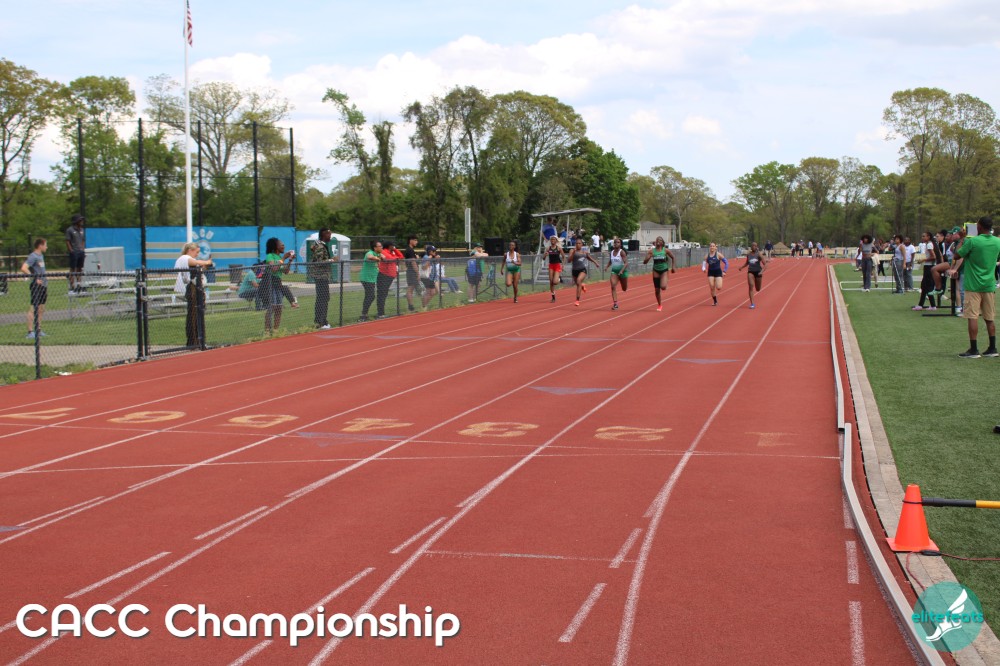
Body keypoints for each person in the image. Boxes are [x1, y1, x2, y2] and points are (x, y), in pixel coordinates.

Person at [946, 216, 1000, 358]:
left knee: (972, 317)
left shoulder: (972, 241)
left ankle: (974, 349)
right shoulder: (997, 241)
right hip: (989, 284)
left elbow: (956, 255)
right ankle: (992, 348)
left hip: (973, 285)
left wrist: (962, 239)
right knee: (989, 318)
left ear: (979, 227)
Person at [174, 241, 214, 346]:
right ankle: (193, 341)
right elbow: (196, 262)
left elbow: (198, 266)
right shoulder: (184, 258)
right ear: (190, 250)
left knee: (199, 315)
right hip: (192, 290)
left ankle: (200, 340)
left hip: (197, 289)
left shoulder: (190, 260)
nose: (197, 254)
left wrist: (205, 265)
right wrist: (207, 262)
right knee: (193, 316)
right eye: (196, 252)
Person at [259, 238, 293, 335]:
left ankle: (275, 330)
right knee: (272, 307)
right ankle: (267, 331)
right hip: (270, 283)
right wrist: (283, 259)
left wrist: (290, 261)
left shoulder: (279, 257)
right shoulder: (270, 256)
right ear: (275, 246)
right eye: (281, 244)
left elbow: (286, 271)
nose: (283, 246)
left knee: (279, 307)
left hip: (278, 284)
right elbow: (273, 268)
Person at [20, 238, 48, 339]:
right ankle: (30, 331)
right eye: (45, 245)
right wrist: (34, 278)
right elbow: (24, 268)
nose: (46, 247)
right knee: (33, 308)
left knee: (41, 308)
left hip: (43, 285)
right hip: (36, 286)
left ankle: (38, 330)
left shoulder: (41, 256)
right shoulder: (33, 256)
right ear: (40, 245)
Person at [309, 228, 336, 329]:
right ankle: (322, 322)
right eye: (329, 234)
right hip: (321, 276)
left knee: (323, 298)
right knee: (323, 299)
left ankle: (320, 321)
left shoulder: (320, 244)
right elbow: (319, 262)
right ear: (324, 234)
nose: (330, 236)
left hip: (323, 276)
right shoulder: (320, 246)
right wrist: (331, 260)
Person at [642, 236, 676, 312]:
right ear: (655, 242)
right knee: (657, 290)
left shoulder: (665, 250)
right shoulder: (651, 251)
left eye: (660, 240)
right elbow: (644, 262)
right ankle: (659, 305)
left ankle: (665, 283)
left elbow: (673, 257)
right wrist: (648, 258)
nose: (658, 241)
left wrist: (673, 267)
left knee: (663, 287)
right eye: (657, 240)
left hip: (664, 270)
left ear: (662, 242)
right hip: (656, 270)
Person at [567, 238, 599, 306]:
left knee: (578, 281)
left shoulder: (584, 252)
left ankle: (577, 300)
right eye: (576, 243)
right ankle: (582, 285)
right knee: (578, 284)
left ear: (582, 244)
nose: (578, 244)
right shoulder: (572, 250)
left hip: (582, 270)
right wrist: (573, 253)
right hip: (574, 270)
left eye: (579, 243)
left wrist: (595, 262)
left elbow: (589, 257)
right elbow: (569, 260)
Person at [377, 240, 404, 319]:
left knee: (384, 294)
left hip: (389, 276)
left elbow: (401, 257)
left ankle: (381, 313)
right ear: (389, 246)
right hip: (384, 276)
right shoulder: (384, 252)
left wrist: (395, 250)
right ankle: (380, 313)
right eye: (393, 246)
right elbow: (389, 259)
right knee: (382, 294)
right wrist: (395, 258)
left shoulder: (392, 252)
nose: (394, 247)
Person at [738, 241, 767, 309]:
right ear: (751, 247)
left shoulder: (759, 254)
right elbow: (747, 263)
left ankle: (753, 300)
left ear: (756, 247)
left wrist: (761, 272)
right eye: (752, 245)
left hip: (758, 272)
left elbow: (765, 264)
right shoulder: (749, 255)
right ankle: (752, 303)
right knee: (751, 286)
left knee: (758, 289)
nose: (753, 247)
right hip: (750, 271)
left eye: (755, 246)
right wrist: (742, 267)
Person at [358, 240, 381, 321]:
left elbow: (384, 257)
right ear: (375, 248)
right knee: (371, 296)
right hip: (366, 278)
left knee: (369, 296)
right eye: (379, 246)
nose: (381, 247)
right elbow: (369, 257)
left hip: (372, 278)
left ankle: (364, 314)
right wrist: (377, 258)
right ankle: (363, 315)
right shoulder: (370, 252)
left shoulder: (378, 254)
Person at [64, 214, 86, 293]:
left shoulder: (82, 230)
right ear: (76, 221)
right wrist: (71, 250)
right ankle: (72, 287)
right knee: (73, 269)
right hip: (74, 252)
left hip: (80, 252)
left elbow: (83, 240)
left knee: (79, 269)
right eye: (80, 220)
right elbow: (67, 241)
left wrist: (82, 249)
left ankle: (79, 285)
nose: (82, 221)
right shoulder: (70, 230)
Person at [605, 237, 628, 310]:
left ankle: (622, 283)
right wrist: (607, 267)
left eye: (618, 242)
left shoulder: (622, 252)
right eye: (615, 242)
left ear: (620, 244)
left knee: (624, 288)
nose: (616, 243)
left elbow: (626, 263)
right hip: (614, 271)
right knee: (613, 286)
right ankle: (615, 304)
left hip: (622, 272)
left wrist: (621, 271)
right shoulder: (611, 252)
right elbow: (610, 261)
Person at [403, 235, 421, 312]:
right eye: (415, 240)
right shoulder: (410, 250)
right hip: (411, 272)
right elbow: (413, 262)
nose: (416, 242)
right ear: (410, 240)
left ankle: (411, 306)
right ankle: (411, 307)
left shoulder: (410, 250)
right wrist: (417, 273)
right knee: (410, 289)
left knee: (412, 289)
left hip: (411, 271)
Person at [545, 234, 565, 302]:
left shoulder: (559, 248)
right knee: (551, 282)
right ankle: (553, 297)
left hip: (557, 265)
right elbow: (543, 258)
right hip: (551, 265)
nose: (552, 240)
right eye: (551, 239)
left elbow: (563, 257)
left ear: (556, 241)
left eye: (553, 239)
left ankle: (559, 279)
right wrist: (545, 255)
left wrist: (563, 265)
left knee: (555, 282)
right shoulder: (548, 248)